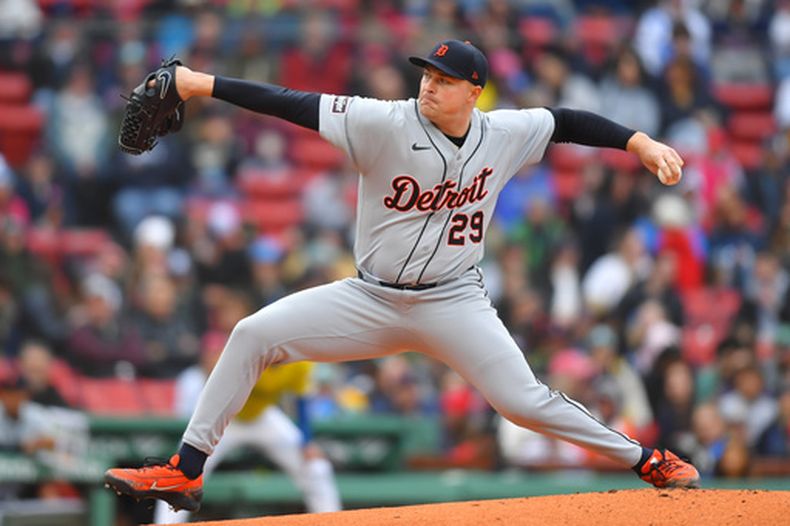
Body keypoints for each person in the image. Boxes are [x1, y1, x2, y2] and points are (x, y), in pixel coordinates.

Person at [105, 39, 699, 514]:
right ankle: (183, 471)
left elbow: (566, 120)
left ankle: (647, 459)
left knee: (523, 403)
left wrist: (638, 142)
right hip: (369, 298)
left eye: (442, 80)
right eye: (425, 75)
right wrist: (195, 84)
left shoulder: (504, 133)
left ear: (474, 91)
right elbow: (288, 100)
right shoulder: (383, 121)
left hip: (454, 301)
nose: (428, 85)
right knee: (251, 334)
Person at [154, 331, 340, 523]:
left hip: (262, 416)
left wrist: (306, 441)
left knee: (316, 467)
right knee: (183, 468)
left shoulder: (300, 362)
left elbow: (301, 401)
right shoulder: (254, 348)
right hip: (226, 415)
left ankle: (331, 521)